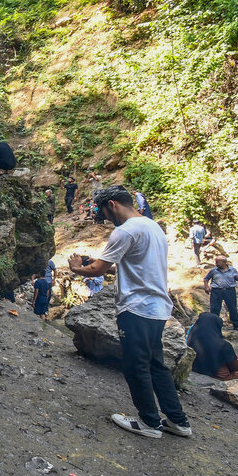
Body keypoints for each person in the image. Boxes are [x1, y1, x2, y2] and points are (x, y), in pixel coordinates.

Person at [68, 185, 191, 439]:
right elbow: (130, 266)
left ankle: (149, 422)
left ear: (112, 205)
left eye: (105, 213)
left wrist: (78, 268)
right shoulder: (152, 226)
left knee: (135, 366)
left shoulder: (124, 232)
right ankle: (178, 421)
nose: (106, 219)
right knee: (156, 364)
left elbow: (99, 270)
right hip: (157, 308)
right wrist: (97, 263)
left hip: (136, 308)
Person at [187, 312, 238, 380]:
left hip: (195, 370)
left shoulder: (191, 339)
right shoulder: (224, 345)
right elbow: (235, 368)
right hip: (219, 377)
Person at [203, 256, 238, 331]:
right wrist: (206, 287)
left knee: (232, 308)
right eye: (215, 262)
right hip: (216, 291)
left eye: (218, 262)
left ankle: (237, 325)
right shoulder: (214, 270)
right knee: (214, 309)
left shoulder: (232, 270)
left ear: (224, 262)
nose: (216, 264)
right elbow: (206, 279)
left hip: (229, 291)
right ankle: (213, 326)